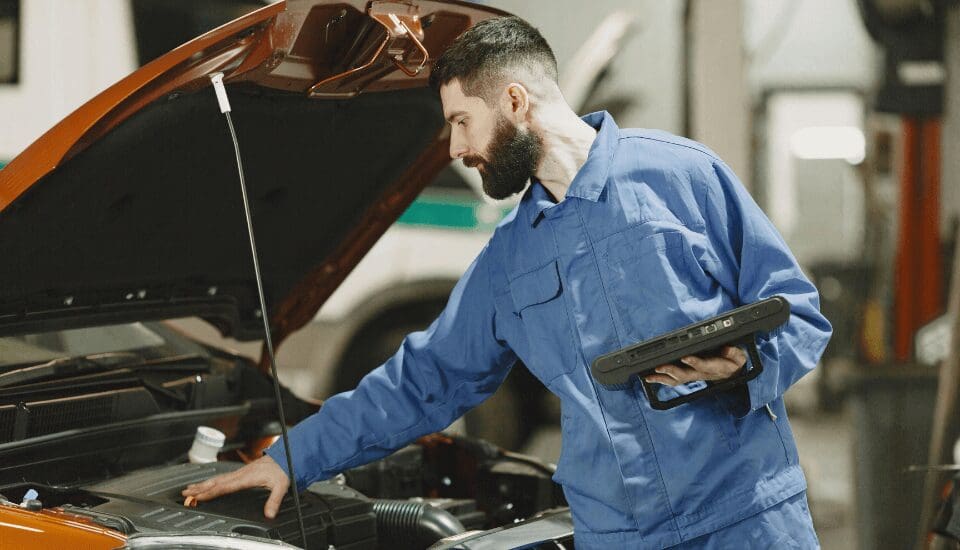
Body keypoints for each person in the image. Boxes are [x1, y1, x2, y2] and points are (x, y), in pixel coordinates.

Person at [183, 15, 832, 549]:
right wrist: (290, 459)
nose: (456, 149)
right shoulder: (507, 260)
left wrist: (743, 362)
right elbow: (423, 381)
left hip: (745, 519)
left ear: (515, 102)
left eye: (462, 121)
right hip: (624, 536)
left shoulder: (683, 179)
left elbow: (798, 314)